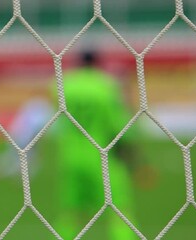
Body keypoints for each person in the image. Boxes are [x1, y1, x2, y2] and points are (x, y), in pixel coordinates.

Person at [54, 50, 137, 239]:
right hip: (102, 156)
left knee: (70, 213)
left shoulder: (64, 85)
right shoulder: (106, 86)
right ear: (97, 64)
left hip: (70, 157)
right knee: (119, 211)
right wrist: (132, 157)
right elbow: (119, 127)